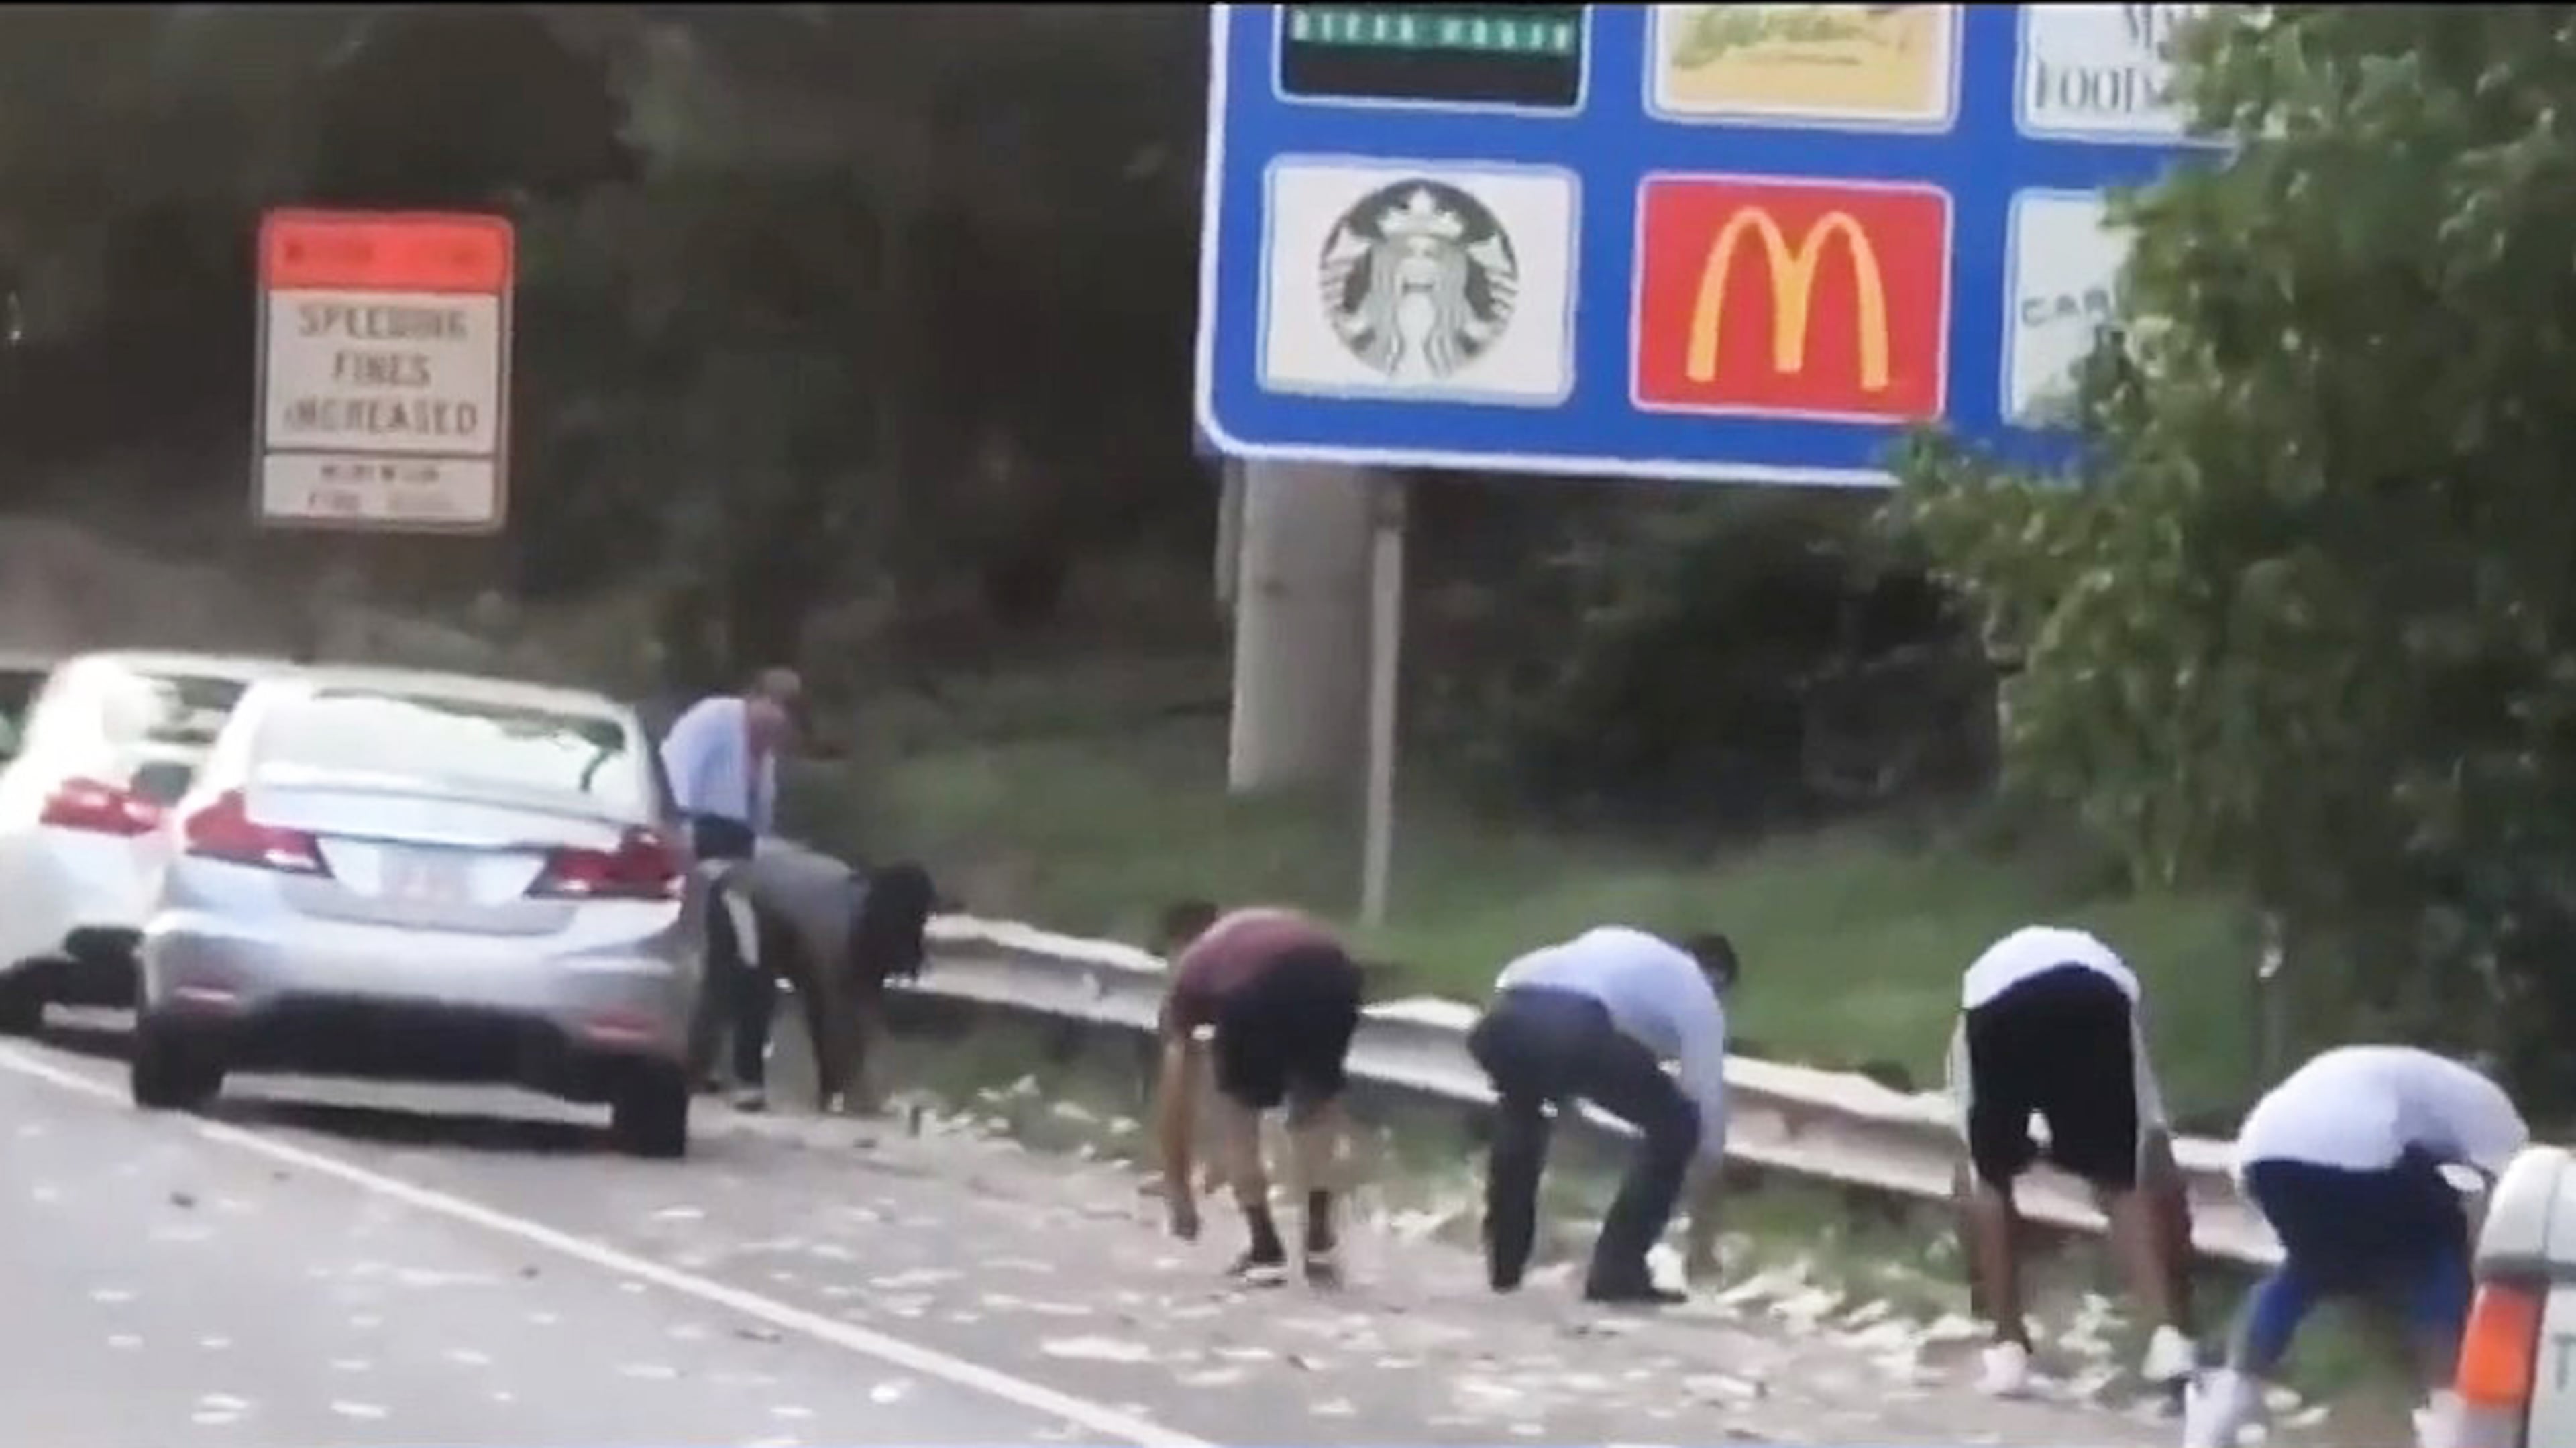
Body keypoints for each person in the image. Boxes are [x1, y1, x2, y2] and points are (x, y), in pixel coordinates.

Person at [2183, 1045, 2528, 1448]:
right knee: (2434, 1249)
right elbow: (2512, 1202)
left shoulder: (2409, 1074)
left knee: (2311, 1265)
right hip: (2355, 1148)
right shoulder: (2491, 1104)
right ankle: (2451, 1415)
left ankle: (2228, 1399)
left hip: (2261, 1152)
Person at [1945, 924, 2198, 1397]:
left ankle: (2007, 1346)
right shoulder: (2121, 994)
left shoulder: (1974, 999)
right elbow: (2155, 1153)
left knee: (1991, 1178)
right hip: (2094, 1002)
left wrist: (1975, 1266)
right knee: (2122, 1179)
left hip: (1997, 1005)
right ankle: (2168, 1337)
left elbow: (1971, 1173)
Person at [1467, 925, 1735, 1306]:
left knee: (1523, 1113)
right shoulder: (1700, 994)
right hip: (1573, 1025)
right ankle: (1617, 1271)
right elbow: (1707, 1120)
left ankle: (1505, 1266)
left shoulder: (1618, 948)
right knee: (1677, 1124)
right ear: (1717, 978)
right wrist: (1704, 1237)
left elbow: (1516, 979)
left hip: (1503, 1019)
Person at [1151, 901, 1364, 1286]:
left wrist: (1179, 1190)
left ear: (1178, 944)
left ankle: (1264, 1245)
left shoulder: (1192, 968)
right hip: (1333, 972)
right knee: (1317, 1106)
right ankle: (1318, 1232)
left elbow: (1176, 1093)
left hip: (1255, 988)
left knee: (1237, 1115)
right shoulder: (1257, 923)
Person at [661, 667, 802, 1111]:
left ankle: (703, 1063)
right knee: (743, 955)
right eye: (772, 706)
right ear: (753, 697)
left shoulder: (766, 754)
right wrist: (682, 845)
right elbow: (675, 778)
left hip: (738, 854)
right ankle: (738, 1070)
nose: (776, 720)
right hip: (700, 841)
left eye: (785, 714)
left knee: (737, 956)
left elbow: (760, 819)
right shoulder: (713, 720)